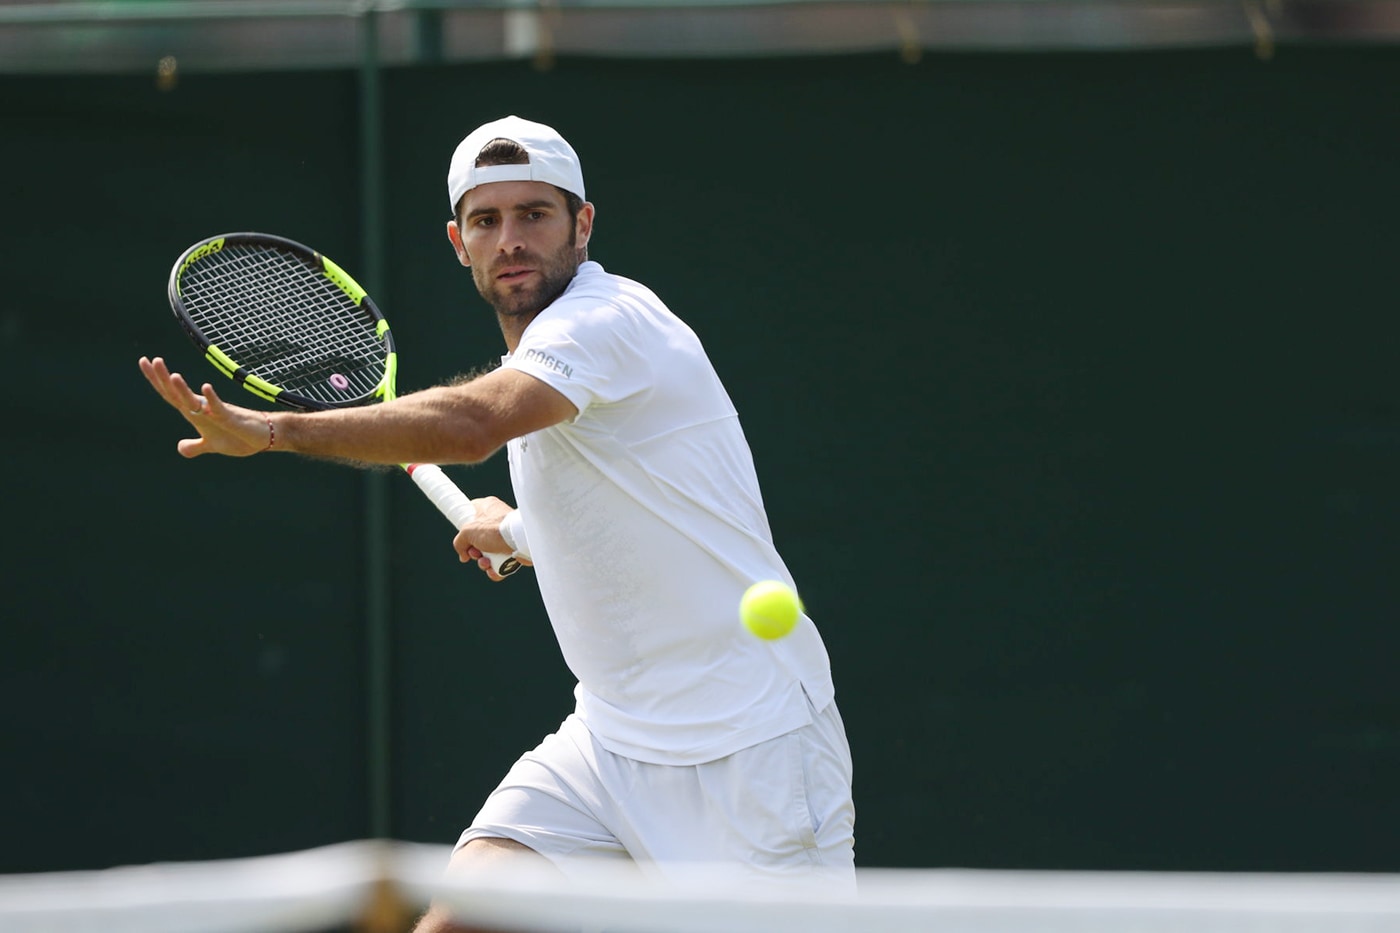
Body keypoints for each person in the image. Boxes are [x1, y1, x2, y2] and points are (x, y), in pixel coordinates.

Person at [139, 115, 855, 931]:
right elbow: (635, 492)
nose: (511, 239)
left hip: (751, 754)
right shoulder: (548, 358)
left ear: (583, 225)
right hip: (609, 745)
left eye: (534, 214)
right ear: (459, 241)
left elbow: (475, 424)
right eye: (487, 220)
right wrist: (520, 531)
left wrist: (273, 430)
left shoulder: (608, 319)